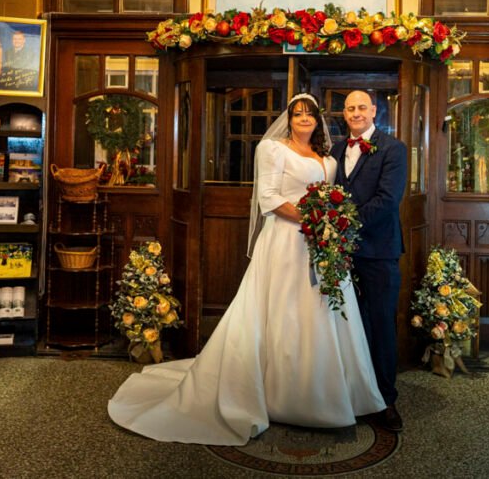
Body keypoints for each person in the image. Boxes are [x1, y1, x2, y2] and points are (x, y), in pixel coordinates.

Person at [108, 93, 384, 445]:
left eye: (309, 114)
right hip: (286, 242)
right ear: (288, 118)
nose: (303, 119)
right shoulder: (271, 149)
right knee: (281, 313)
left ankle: (328, 393)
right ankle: (274, 394)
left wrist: (326, 226)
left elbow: (332, 193)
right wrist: (313, 219)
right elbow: (268, 197)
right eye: (297, 114)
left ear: (318, 119)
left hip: (320, 245)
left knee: (321, 312)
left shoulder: (326, 157)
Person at [329, 90, 408, 433]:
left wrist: (343, 225)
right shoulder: (334, 150)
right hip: (340, 254)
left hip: (378, 252)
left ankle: (385, 399)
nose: (356, 113)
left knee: (380, 326)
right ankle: (352, 392)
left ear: (374, 110)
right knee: (347, 325)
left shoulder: (394, 149)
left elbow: (388, 200)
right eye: (350, 108)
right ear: (344, 114)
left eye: (362, 107)